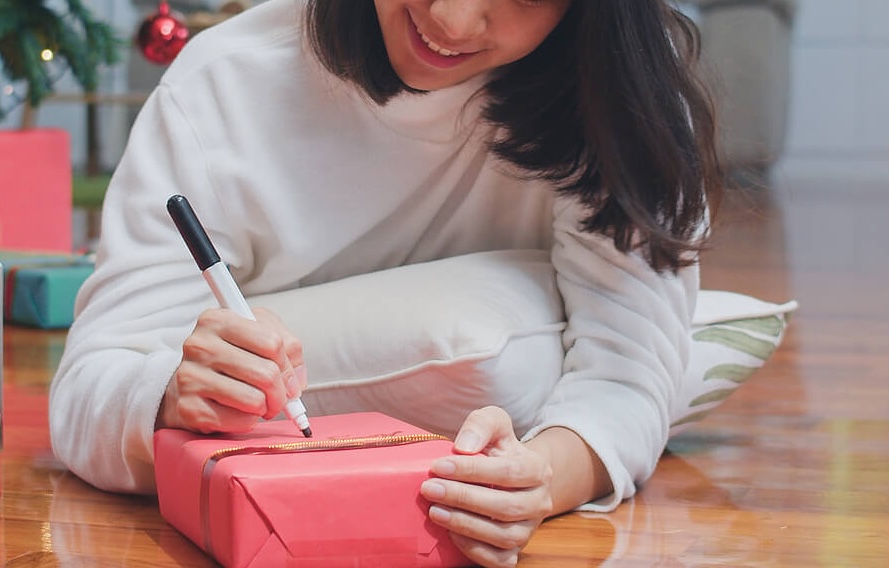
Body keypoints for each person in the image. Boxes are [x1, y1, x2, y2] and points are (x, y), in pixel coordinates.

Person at [49, 0, 722, 566]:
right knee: (522, 357)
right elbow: (85, 396)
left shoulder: (621, 103)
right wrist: (170, 394)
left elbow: (624, 376)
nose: (452, 20)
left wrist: (541, 478)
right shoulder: (227, 81)